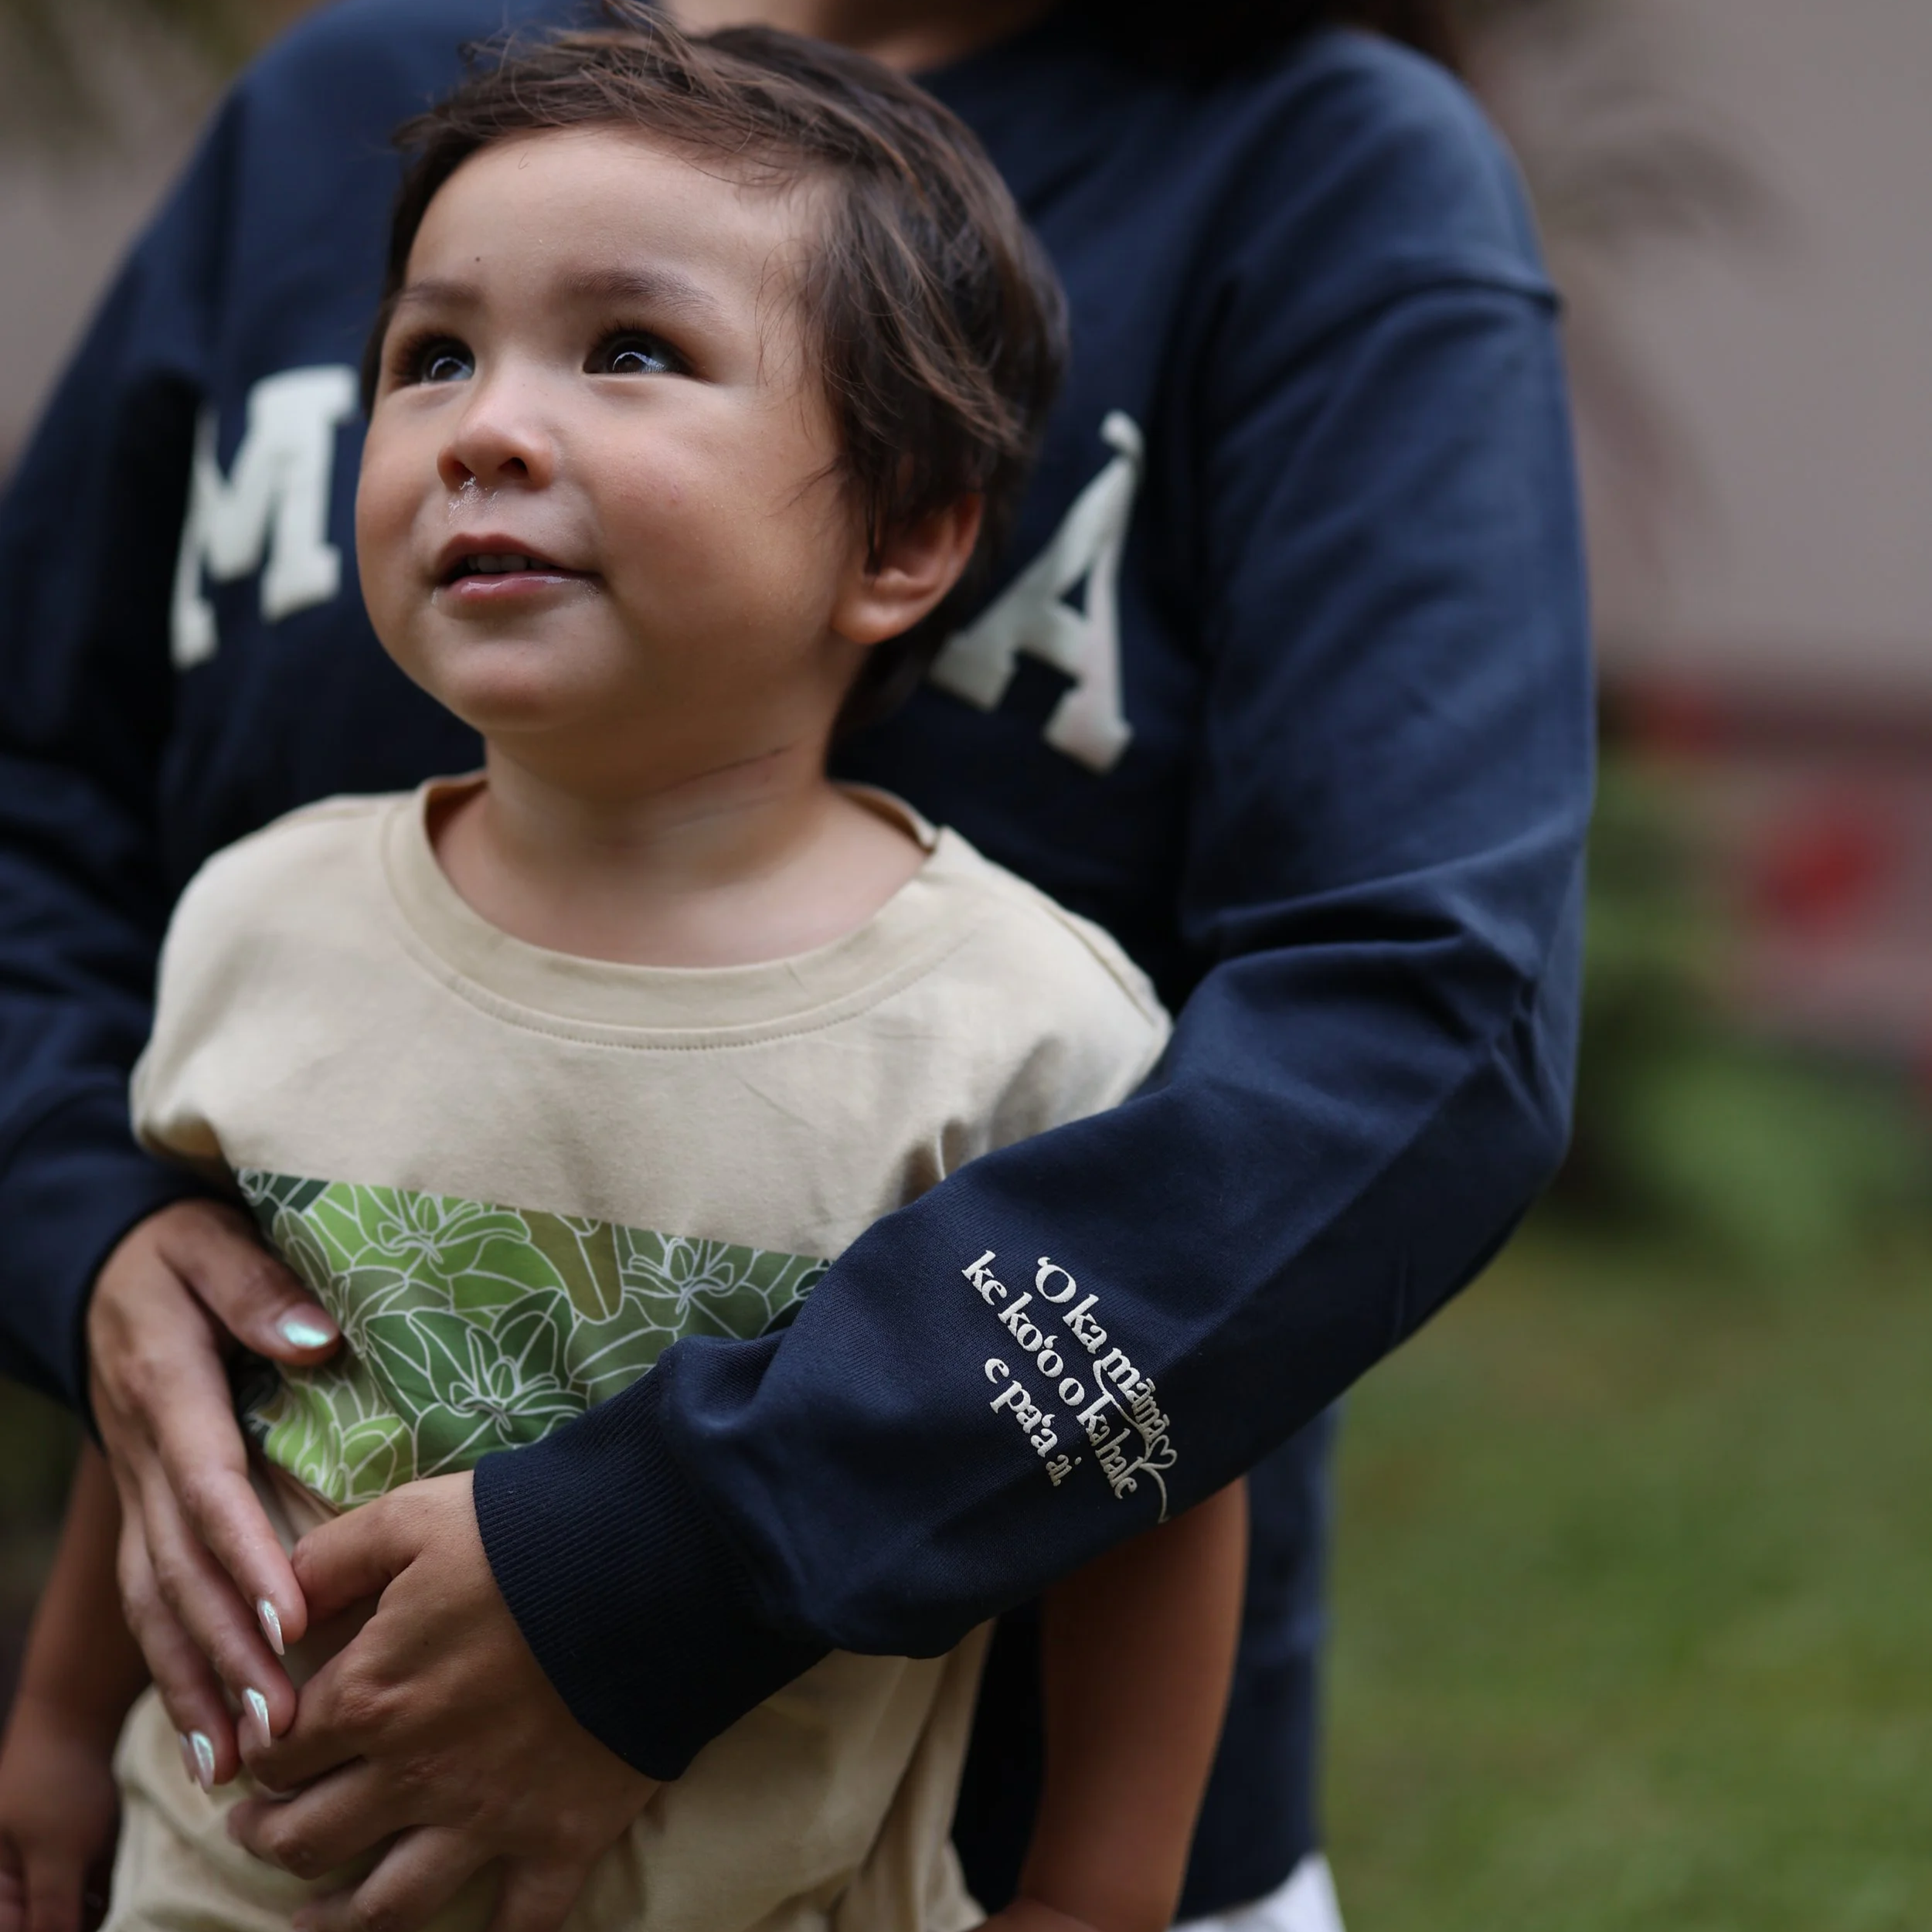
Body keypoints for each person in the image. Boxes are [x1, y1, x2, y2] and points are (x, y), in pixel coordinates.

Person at [0, 1, 1592, 1929]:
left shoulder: (1318, 169)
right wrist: (85, 1234)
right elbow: (38, 808)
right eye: (425, 356)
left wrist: (655, 1576)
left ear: (917, 534)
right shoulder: (352, 106)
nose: (491, 425)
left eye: (634, 351)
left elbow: (1415, 1008)